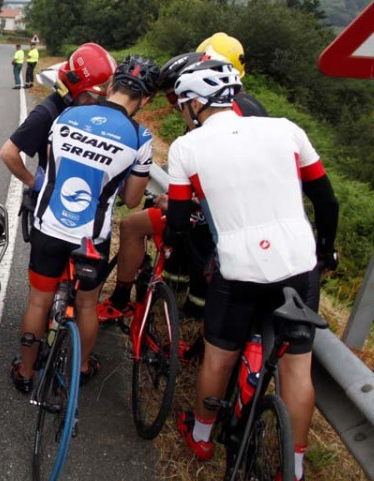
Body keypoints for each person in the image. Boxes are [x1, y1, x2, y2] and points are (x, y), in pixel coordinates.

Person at [167, 60, 339, 481]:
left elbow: (179, 225)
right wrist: (326, 249)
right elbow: (325, 197)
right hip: (298, 265)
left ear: (194, 103)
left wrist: (197, 259)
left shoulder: (187, 148)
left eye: (183, 105)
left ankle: (203, 438)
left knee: (218, 359)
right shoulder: (285, 129)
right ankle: (292, 470)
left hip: (240, 269)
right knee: (297, 367)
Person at [8, 55, 160, 393]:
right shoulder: (141, 137)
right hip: (92, 237)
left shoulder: (67, 114)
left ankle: (26, 372)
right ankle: (83, 367)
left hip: (49, 225)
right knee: (88, 304)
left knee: (37, 302)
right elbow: (132, 199)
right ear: (146, 99)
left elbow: (50, 163)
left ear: (110, 85)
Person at [97, 37, 268, 323]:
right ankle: (182, 306)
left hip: (215, 217)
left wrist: (178, 201)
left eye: (180, 99)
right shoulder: (244, 106)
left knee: (131, 226)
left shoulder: (219, 114)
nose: (178, 106)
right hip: (235, 214)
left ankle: (123, 300)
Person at [0, 43, 117, 197]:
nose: (96, 103)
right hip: (49, 205)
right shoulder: (46, 113)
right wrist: (35, 183)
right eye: (93, 96)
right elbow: (8, 153)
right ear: (76, 87)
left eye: (102, 98)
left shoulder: (85, 112)